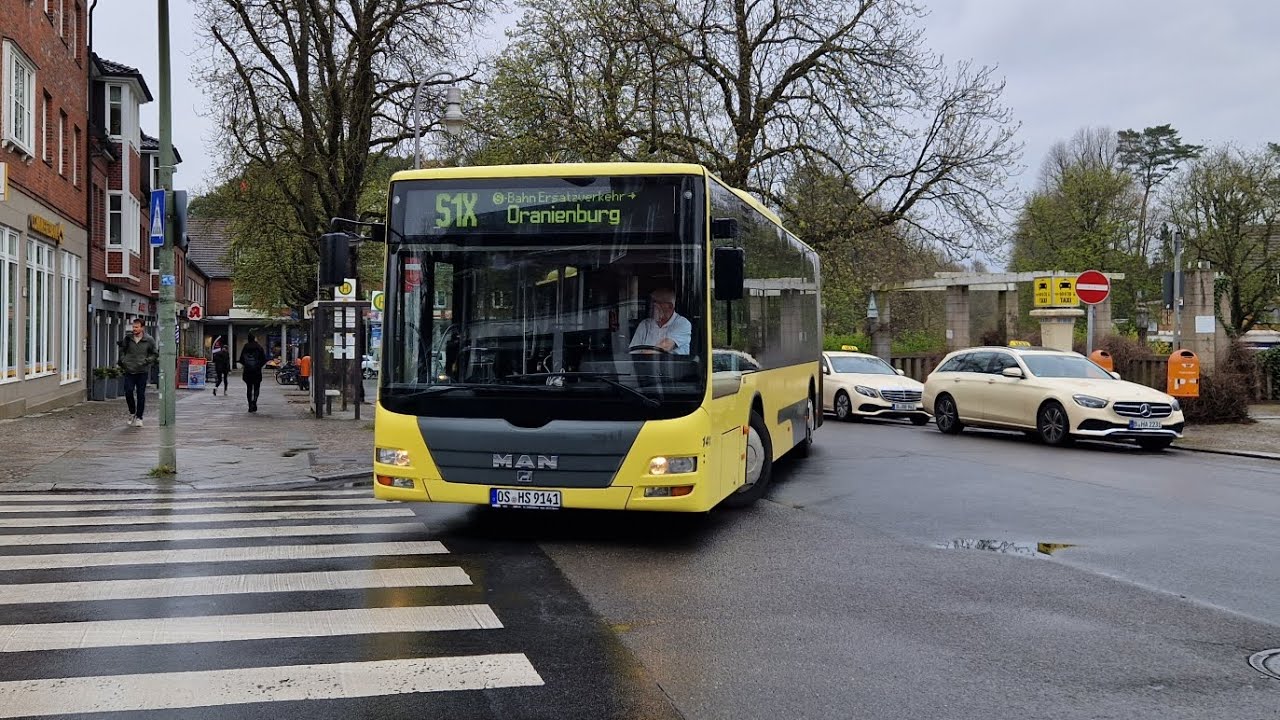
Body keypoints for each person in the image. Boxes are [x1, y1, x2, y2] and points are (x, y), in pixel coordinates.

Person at [118, 319, 158, 427]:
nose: (134, 329)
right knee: (128, 392)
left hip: (142, 371)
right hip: (129, 370)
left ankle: (139, 417)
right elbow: (122, 350)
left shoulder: (149, 340)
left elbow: (155, 354)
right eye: (133, 327)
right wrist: (123, 360)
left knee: (141, 394)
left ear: (142, 328)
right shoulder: (128, 338)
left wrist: (146, 361)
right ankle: (132, 412)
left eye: (137, 327)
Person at [629, 288, 692, 355]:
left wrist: (642, 357)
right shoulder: (645, 324)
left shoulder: (682, 323)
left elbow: (664, 347)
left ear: (670, 306)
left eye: (656, 302)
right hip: (644, 365)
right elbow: (633, 352)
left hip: (673, 365)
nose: (652, 306)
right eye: (651, 302)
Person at [239, 333, 268, 413]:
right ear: (254, 338)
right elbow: (264, 359)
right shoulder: (259, 347)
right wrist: (259, 365)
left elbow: (241, 359)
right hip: (257, 370)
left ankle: (249, 405)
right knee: (256, 387)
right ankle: (254, 401)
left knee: (249, 388)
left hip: (248, 371)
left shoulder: (246, 347)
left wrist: (247, 365)